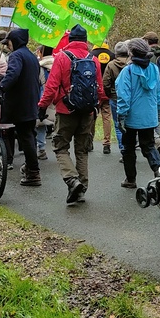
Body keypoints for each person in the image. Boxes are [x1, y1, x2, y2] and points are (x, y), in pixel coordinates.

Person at [38, 24, 107, 204]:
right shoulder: (94, 59)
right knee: (82, 151)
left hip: (65, 110)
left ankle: (72, 180)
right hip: (87, 112)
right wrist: (97, 106)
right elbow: (99, 87)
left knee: (60, 147)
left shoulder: (62, 57)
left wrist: (42, 106)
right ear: (85, 41)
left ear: (69, 40)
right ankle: (81, 189)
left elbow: (51, 86)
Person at [0, 28, 42, 186]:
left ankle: (33, 173)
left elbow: (12, 74)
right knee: (29, 137)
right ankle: (32, 170)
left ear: (15, 41)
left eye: (8, 42)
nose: (8, 45)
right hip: (31, 102)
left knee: (26, 138)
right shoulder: (32, 56)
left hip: (21, 104)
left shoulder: (16, 56)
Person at [115, 38, 160, 189]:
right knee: (149, 146)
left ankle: (131, 179)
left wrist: (121, 115)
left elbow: (124, 96)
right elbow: (159, 93)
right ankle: (159, 172)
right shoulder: (154, 69)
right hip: (149, 116)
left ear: (131, 53)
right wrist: (158, 109)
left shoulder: (128, 71)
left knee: (128, 148)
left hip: (131, 117)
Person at [103, 42, 130, 160]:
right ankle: (130, 148)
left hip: (115, 98)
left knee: (118, 124)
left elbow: (106, 82)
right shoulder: (131, 65)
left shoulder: (111, 65)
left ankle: (123, 149)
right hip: (129, 98)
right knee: (129, 124)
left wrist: (110, 94)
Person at [92, 43, 114, 155]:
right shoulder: (112, 55)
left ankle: (89, 141)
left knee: (92, 116)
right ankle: (107, 144)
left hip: (95, 92)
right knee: (106, 117)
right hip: (108, 92)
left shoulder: (91, 55)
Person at [35, 45, 55, 159]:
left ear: (41, 53)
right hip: (57, 98)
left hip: (43, 97)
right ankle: (60, 148)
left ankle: (41, 149)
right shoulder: (58, 64)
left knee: (41, 124)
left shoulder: (39, 67)